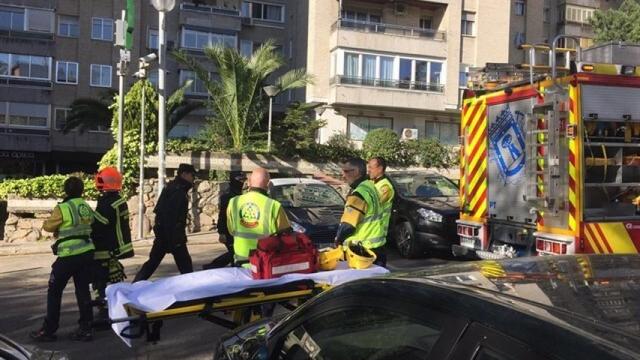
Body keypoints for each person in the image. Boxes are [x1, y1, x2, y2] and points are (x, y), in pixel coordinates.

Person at [30, 177, 97, 342]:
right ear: (82, 190)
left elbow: (48, 227)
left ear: (66, 190)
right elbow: (92, 222)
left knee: (54, 290)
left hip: (68, 255)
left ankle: (49, 329)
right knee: (82, 291)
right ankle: (86, 328)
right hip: (87, 253)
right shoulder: (85, 206)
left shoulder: (63, 208)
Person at [133, 164, 197, 282]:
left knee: (152, 263)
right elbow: (170, 216)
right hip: (172, 235)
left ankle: (135, 285)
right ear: (184, 174)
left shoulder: (173, 187)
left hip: (166, 234)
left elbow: (160, 211)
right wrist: (174, 238)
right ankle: (192, 288)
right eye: (192, 175)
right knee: (185, 266)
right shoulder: (177, 191)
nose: (194, 178)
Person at [90, 167, 133, 325]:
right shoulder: (119, 200)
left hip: (105, 248)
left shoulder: (107, 202)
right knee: (114, 279)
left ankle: (104, 312)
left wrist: (88, 219)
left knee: (99, 282)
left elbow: (99, 224)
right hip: (116, 247)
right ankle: (122, 308)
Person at [227, 168, 291, 267]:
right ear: (269, 184)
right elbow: (285, 235)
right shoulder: (273, 205)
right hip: (265, 264)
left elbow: (231, 230)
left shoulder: (233, 202)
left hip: (240, 262)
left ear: (248, 182)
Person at [334, 158, 386, 267]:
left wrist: (337, 239)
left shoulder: (358, 194)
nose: (343, 175)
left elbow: (348, 225)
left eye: (346, 171)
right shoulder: (370, 186)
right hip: (377, 247)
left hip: (361, 251)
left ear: (356, 172)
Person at [203, 171, 247, 270]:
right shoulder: (228, 196)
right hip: (228, 231)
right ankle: (212, 267)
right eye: (240, 180)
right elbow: (223, 215)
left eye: (243, 180)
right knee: (234, 254)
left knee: (234, 253)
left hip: (238, 230)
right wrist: (221, 232)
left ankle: (212, 266)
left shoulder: (239, 194)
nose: (242, 182)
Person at [367, 157, 395, 255]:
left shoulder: (385, 187)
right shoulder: (372, 183)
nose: (368, 170)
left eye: (371, 167)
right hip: (368, 235)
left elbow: (371, 204)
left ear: (380, 169)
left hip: (377, 236)